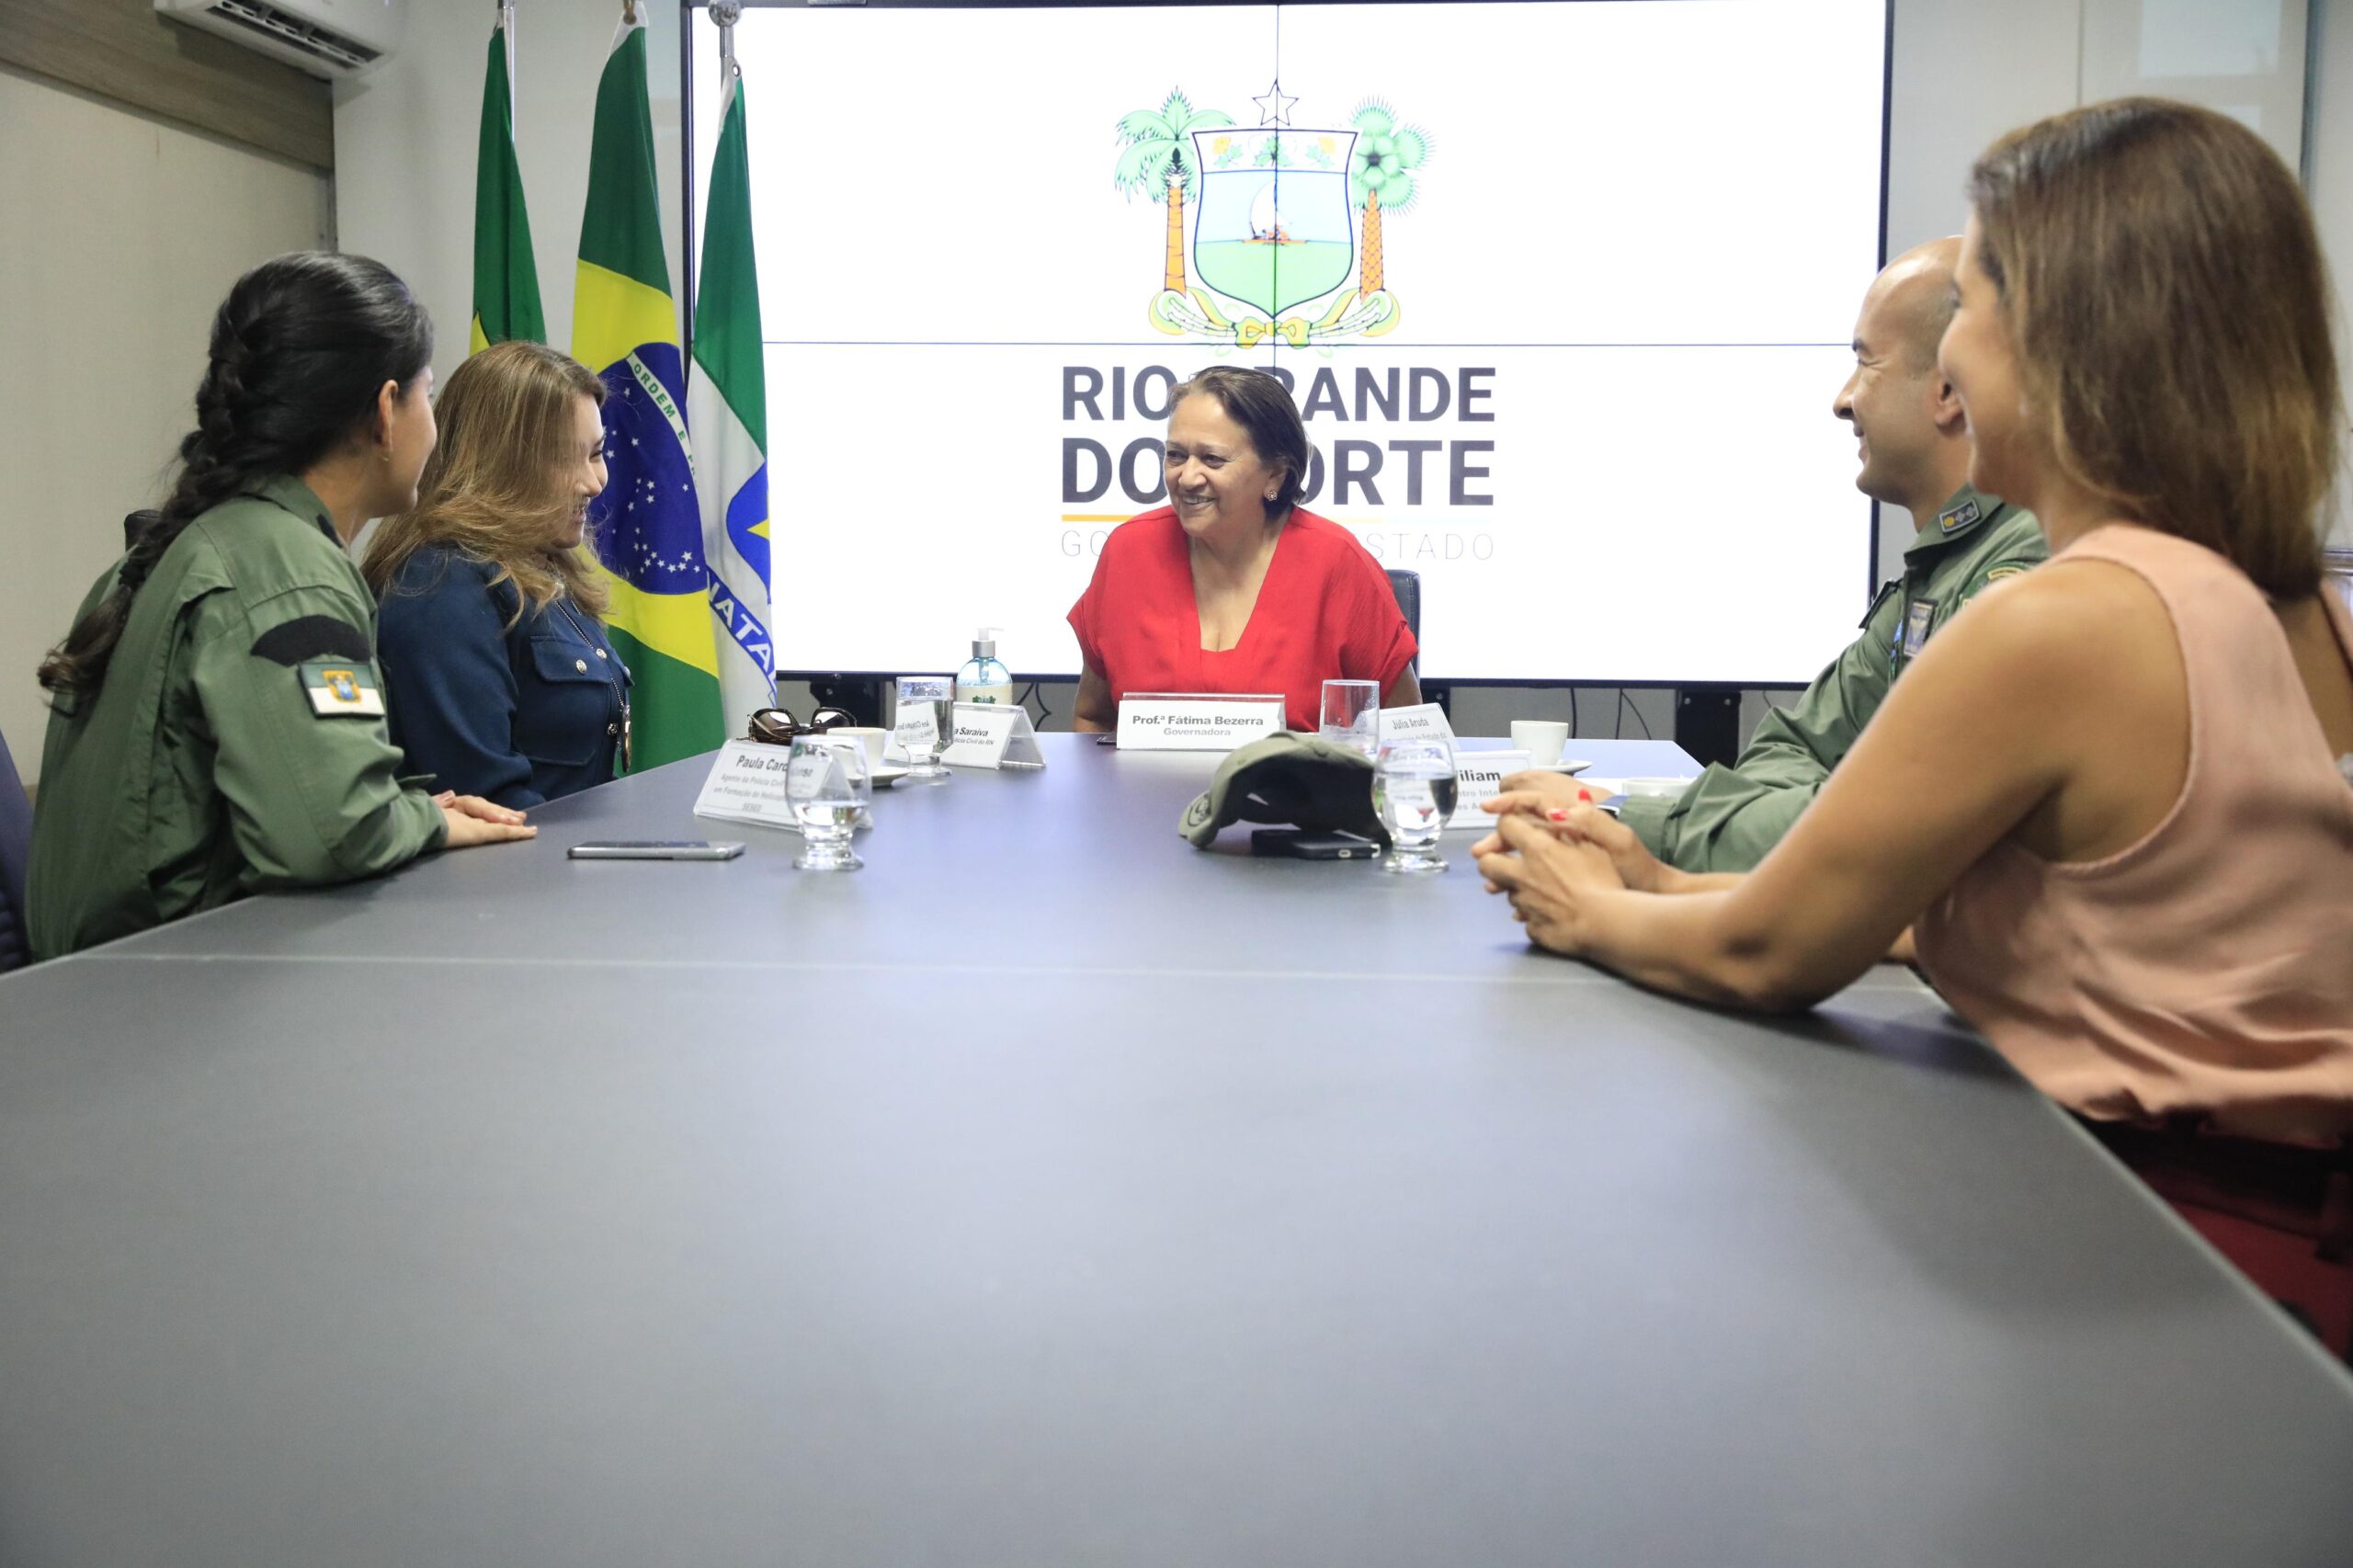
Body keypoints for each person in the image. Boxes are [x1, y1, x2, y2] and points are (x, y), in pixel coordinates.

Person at [1475, 99, 2353, 1145]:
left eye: (1968, 307)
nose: (1950, 367)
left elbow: (1765, 958)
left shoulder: (2066, 620)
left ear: (2060, 340)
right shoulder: (2305, 610)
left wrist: (1586, 910)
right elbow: (2065, 932)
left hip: (2154, 1202)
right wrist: (1665, 883)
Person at [27, 252, 534, 960]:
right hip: (183, 995)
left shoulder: (187, 546)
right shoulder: (286, 567)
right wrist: (424, 823)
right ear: (386, 411)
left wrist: (402, 810)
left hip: (107, 988)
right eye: (427, 392)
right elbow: (332, 833)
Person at [1503, 239, 2047, 871]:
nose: (1843, 400)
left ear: (1949, 388)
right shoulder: (1945, 568)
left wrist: (1629, 821)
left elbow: (1888, 831)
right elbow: (1794, 748)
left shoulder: (2020, 581)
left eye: (1866, 363)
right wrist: (1808, 812)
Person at [1068, 366, 1421, 732]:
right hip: (1142, 773)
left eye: (1212, 459)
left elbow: (1407, 733)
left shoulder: (1337, 562)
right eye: (1176, 455)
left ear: (1275, 474)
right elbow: (1093, 717)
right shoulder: (1129, 552)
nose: (1187, 478)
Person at [365, 341, 628, 808]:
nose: (595, 482)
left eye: (596, 452)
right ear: (498, 463)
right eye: (567, 458)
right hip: (523, 854)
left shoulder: (543, 562)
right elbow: (486, 801)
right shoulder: (440, 584)